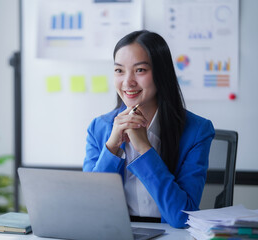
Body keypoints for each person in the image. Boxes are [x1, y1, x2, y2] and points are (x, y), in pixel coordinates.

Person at [83, 30, 215, 228]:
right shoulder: (99, 128)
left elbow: (182, 217)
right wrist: (111, 147)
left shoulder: (197, 131)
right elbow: (89, 210)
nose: (127, 82)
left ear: (161, 73)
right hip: (116, 232)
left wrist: (144, 148)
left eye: (140, 70)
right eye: (119, 70)